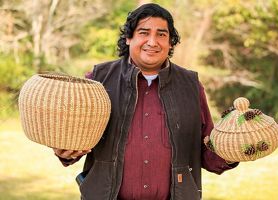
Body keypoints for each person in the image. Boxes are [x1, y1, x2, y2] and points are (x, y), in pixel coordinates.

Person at [53, 3, 238, 200]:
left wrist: (234, 149)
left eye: (161, 34)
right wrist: (65, 152)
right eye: (144, 32)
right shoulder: (99, 80)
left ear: (170, 42)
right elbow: (73, 139)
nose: (153, 41)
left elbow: (208, 152)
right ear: (128, 38)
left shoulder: (191, 86)